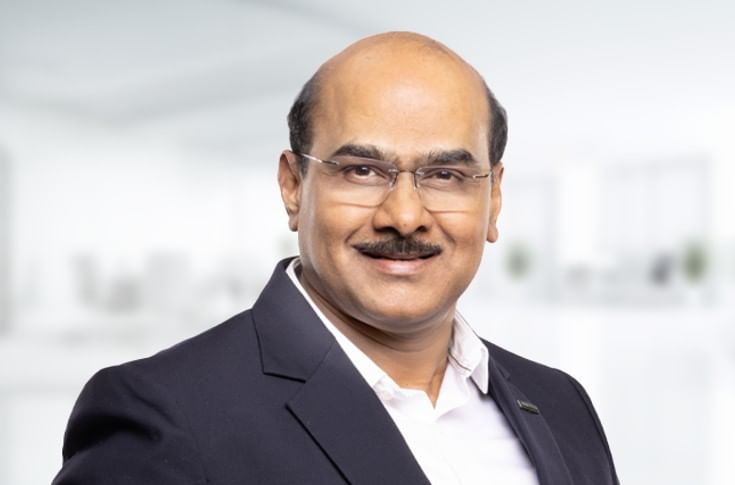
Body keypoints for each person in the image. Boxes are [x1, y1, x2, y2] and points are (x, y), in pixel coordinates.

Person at [53, 32, 619, 485]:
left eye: (445, 175)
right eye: (362, 171)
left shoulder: (560, 402)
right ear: (293, 186)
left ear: (493, 200)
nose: (405, 216)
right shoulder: (166, 416)